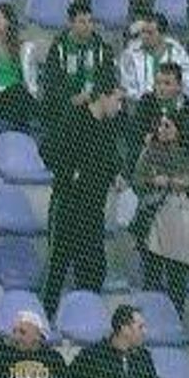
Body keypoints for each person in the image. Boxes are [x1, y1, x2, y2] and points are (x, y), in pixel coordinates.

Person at [40, 76, 126, 319]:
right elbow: (48, 151)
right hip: (68, 206)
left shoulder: (110, 127)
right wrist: (71, 173)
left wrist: (115, 174)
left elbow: (112, 159)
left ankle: (86, 321)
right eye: (118, 100)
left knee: (94, 270)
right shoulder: (74, 118)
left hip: (93, 210)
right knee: (57, 267)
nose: (120, 107)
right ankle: (46, 320)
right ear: (104, 96)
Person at [135, 107, 189, 312]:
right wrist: (155, 180)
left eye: (167, 125)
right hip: (155, 217)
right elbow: (138, 180)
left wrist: (183, 183)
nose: (162, 129)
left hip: (183, 218)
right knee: (152, 275)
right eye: (160, 124)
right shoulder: (151, 151)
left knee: (177, 278)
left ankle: (175, 316)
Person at [40, 0, 117, 127]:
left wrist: (91, 96)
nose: (88, 26)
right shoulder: (58, 48)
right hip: (65, 103)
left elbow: (108, 79)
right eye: (82, 22)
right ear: (71, 23)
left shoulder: (102, 48)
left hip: (94, 102)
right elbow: (51, 81)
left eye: (90, 21)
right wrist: (72, 99)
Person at [0, 4, 41, 133]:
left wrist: (22, 93)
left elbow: (32, 83)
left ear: (8, 22)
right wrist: (9, 90)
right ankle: (36, 119)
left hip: (19, 102)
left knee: (20, 94)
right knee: (18, 89)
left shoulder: (24, 48)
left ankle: (25, 123)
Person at [129, 61, 189, 159]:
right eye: (158, 83)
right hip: (150, 155)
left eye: (167, 83)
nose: (161, 88)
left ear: (179, 86)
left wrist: (178, 135)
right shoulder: (146, 101)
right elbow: (136, 131)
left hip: (181, 156)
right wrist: (155, 135)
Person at [119, 12, 189, 102]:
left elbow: (187, 85)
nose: (144, 36)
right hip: (141, 105)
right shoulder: (130, 54)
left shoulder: (178, 53)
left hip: (173, 105)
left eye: (150, 33)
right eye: (143, 32)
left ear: (162, 34)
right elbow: (126, 87)